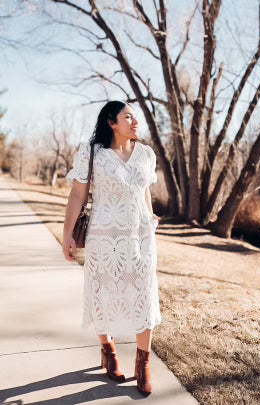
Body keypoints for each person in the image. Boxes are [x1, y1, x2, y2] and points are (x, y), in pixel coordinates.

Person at [62, 100, 162, 396]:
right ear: (111, 122)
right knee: (103, 293)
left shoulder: (146, 154)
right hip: (103, 239)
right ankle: (108, 349)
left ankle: (143, 364)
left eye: (135, 117)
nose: (135, 122)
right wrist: (67, 234)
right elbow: (77, 195)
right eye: (128, 116)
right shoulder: (91, 153)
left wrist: (151, 215)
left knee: (144, 294)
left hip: (140, 238)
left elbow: (144, 191)